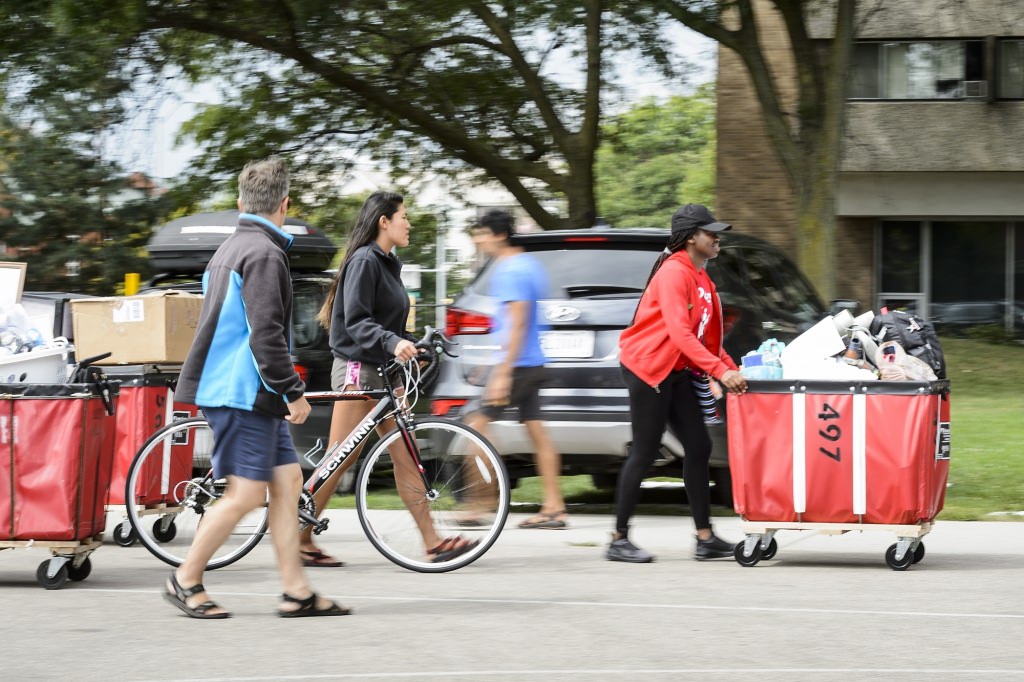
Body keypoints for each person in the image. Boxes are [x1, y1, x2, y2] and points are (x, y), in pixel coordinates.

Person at [168, 157, 349, 618]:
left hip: (237, 388)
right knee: (247, 493)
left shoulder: (229, 249)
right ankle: (185, 577)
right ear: (285, 204)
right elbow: (265, 333)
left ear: (240, 202)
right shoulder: (265, 255)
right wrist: (292, 390)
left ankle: (296, 591)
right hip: (241, 391)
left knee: (287, 482)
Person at [302, 191, 479, 565]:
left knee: (406, 455)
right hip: (356, 367)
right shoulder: (365, 260)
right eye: (404, 216)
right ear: (384, 221)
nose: (408, 223)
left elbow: (386, 324)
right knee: (340, 458)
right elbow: (357, 321)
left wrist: (413, 344)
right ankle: (298, 535)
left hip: (384, 371)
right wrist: (393, 341)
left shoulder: (386, 263)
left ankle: (432, 542)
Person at [606, 203, 748, 563]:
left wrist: (735, 369)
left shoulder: (702, 278)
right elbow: (680, 333)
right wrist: (719, 372)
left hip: (679, 369)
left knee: (698, 447)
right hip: (649, 368)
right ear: (690, 237)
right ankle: (618, 538)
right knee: (645, 449)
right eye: (709, 232)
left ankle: (705, 538)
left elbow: (709, 340)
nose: (717, 238)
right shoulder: (673, 273)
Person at [464, 209, 567, 529]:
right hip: (531, 362)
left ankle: (480, 503)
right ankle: (554, 507)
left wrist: (504, 372)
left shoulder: (509, 269)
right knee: (538, 432)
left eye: (482, 233)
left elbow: (520, 320)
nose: (478, 239)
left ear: (498, 235)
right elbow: (514, 323)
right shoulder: (528, 264)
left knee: (475, 426)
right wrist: (490, 362)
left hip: (519, 366)